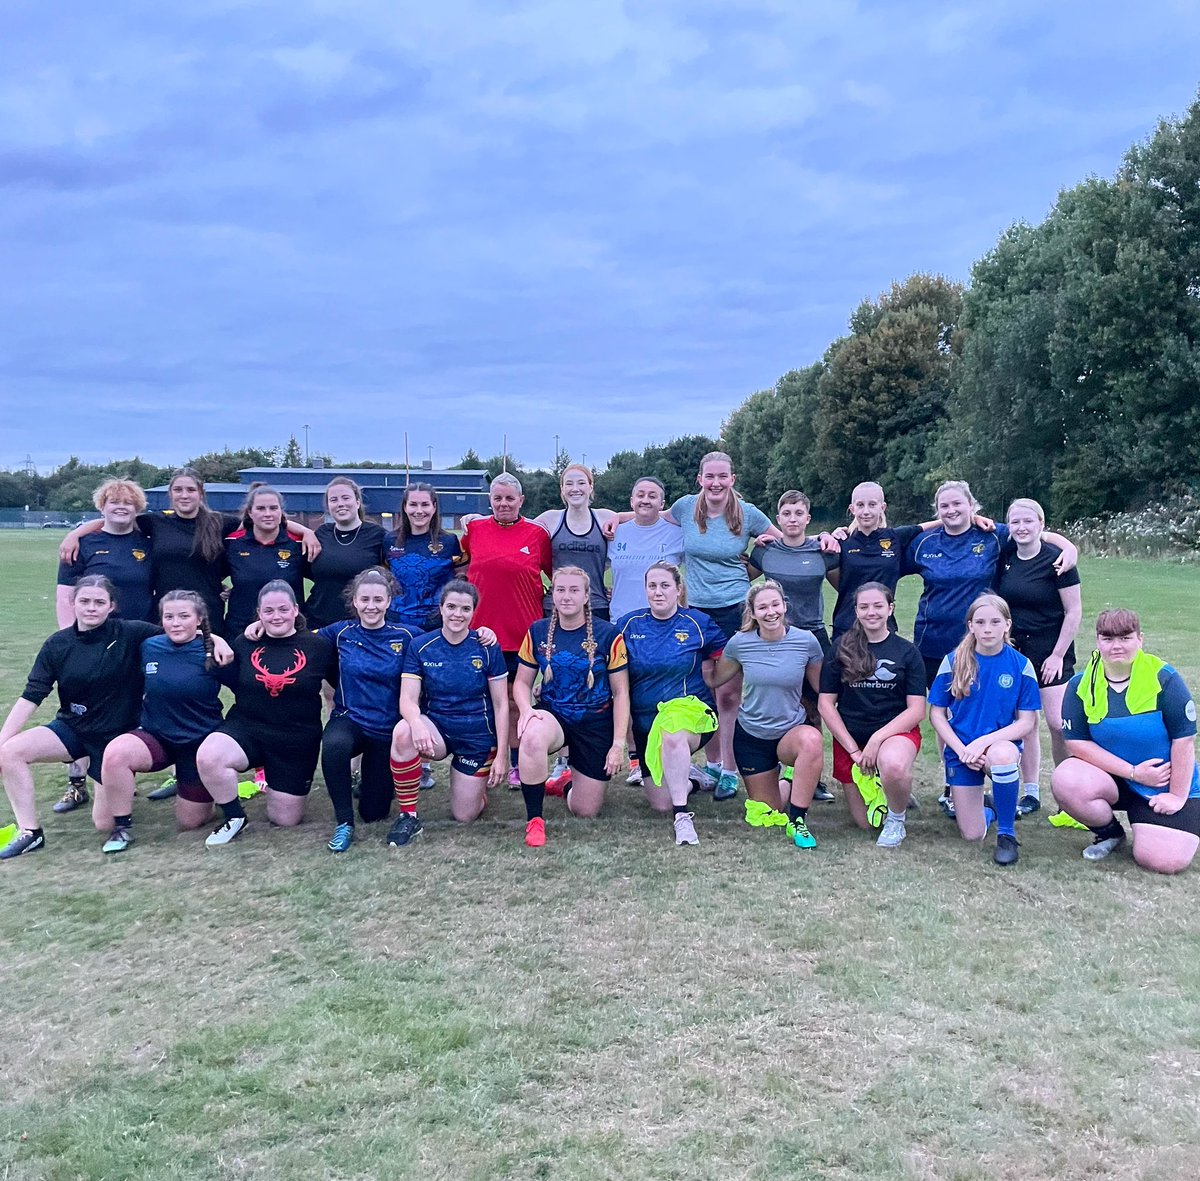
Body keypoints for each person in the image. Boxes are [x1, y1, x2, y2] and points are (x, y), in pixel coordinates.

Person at [907, 479, 1074, 818]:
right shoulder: (923, 543)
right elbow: (887, 550)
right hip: (936, 642)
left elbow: (1032, 531)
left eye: (958, 504)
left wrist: (1068, 546)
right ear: (937, 511)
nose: (952, 510)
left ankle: (1029, 789)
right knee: (948, 715)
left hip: (990, 641)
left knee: (1018, 714)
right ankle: (953, 785)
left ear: (972, 506)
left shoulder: (993, 535)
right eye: (944, 506)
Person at [0, 576, 159, 860]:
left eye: (99, 602)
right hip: (72, 727)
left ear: (112, 606)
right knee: (10, 752)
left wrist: (216, 641)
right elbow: (32, 695)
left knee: (104, 824)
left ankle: (113, 780)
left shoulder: (131, 633)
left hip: (113, 739)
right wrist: (2, 739)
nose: (91, 608)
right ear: (72, 603)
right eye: (84, 601)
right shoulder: (57, 644)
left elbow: (180, 631)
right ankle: (30, 832)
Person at [60, 467, 319, 631]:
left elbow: (263, 519)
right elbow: (117, 518)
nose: (184, 495)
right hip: (166, 613)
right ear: (171, 494)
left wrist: (306, 532)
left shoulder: (220, 523)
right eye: (178, 490)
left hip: (209, 613)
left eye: (190, 490)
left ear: (200, 493)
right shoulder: (155, 522)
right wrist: (75, 533)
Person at [659, 451, 780, 800]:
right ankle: (711, 765)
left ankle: (729, 769)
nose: (715, 483)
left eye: (722, 476)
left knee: (728, 694)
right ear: (699, 479)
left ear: (732, 479)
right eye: (709, 476)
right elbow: (648, 517)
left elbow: (781, 539)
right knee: (703, 692)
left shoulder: (747, 513)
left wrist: (756, 562)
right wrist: (608, 518)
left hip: (735, 610)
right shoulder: (685, 507)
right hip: (696, 612)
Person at [1051, 609, 1199, 873]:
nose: (1116, 646)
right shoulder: (1080, 685)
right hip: (1117, 778)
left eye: (1125, 638)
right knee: (1066, 778)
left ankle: (1172, 819)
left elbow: (1184, 741)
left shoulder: (1165, 678)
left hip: (1162, 782)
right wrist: (1133, 772)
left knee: (1164, 861)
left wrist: (1176, 796)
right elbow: (1076, 743)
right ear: (1097, 641)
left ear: (1140, 639)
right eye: (1107, 638)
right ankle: (1110, 833)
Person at [196, 581, 335, 845]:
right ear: (259, 613)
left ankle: (273, 780)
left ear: (295, 610)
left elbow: (340, 685)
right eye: (268, 611)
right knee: (209, 755)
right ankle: (234, 817)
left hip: (295, 740)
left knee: (285, 819)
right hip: (248, 728)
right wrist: (216, 640)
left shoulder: (318, 646)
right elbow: (200, 646)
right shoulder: (245, 643)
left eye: (283, 609)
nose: (276, 616)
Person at [93, 591, 228, 853]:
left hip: (197, 745)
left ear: (199, 619)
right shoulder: (149, 646)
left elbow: (246, 689)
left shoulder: (215, 652)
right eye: (169, 617)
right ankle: (122, 828)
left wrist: (217, 640)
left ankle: (208, 793)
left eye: (184, 616)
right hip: (156, 737)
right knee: (116, 753)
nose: (175, 623)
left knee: (190, 823)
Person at [53, 477, 154, 812]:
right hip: (91, 640)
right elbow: (65, 596)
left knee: (127, 708)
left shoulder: (147, 541)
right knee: (82, 710)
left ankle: (118, 777)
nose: (121, 507)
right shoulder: (82, 544)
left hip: (135, 641)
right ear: (102, 506)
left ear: (137, 508)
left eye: (128, 502)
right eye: (114, 502)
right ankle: (76, 784)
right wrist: (73, 641)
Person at [514, 567, 630, 847]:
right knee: (532, 736)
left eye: (574, 590)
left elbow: (621, 692)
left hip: (595, 722)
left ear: (587, 596)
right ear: (552, 594)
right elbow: (521, 682)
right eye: (560, 590)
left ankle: (565, 783)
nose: (566, 596)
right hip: (554, 716)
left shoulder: (608, 634)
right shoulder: (538, 630)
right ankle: (535, 819)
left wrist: (618, 744)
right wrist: (527, 710)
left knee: (585, 811)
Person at [616, 562, 727, 847]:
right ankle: (692, 779)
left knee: (672, 731)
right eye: (652, 586)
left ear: (678, 589)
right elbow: (609, 670)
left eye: (665, 585)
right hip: (645, 724)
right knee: (660, 803)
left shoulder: (698, 623)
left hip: (691, 713)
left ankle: (682, 818)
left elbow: (730, 656)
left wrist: (718, 680)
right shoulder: (628, 625)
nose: (658, 592)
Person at [390, 581, 509, 842]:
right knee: (403, 731)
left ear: (473, 611)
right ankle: (408, 815)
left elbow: (501, 704)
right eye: (452, 607)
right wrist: (416, 723)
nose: (458, 614)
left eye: (465, 609)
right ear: (441, 608)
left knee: (464, 815)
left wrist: (502, 755)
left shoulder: (487, 646)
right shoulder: (421, 646)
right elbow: (407, 699)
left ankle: (476, 789)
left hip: (477, 736)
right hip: (438, 730)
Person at [710, 581, 825, 849]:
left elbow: (822, 689)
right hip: (752, 737)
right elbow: (715, 680)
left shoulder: (806, 641)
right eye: (762, 607)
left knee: (811, 740)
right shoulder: (739, 643)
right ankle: (790, 780)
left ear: (785, 606)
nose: (770, 612)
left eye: (775, 604)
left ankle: (798, 820)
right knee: (767, 813)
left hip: (790, 732)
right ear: (752, 612)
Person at [928, 594, 1041, 866]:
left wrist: (983, 743)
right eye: (980, 622)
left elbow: (1027, 723)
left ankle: (1006, 835)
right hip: (962, 751)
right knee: (972, 834)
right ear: (970, 626)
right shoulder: (953, 661)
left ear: (1007, 625)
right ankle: (991, 808)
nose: (987, 629)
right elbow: (936, 715)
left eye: (995, 622)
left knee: (1002, 756)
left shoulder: (1021, 665)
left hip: (997, 746)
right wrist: (963, 751)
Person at [818, 583, 927, 849]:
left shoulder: (907, 651)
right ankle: (893, 788)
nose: (871, 612)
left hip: (894, 734)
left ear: (890, 609)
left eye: (878, 606)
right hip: (851, 739)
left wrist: (877, 740)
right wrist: (854, 751)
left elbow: (916, 710)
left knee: (893, 765)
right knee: (866, 823)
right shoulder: (841, 648)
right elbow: (825, 704)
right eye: (864, 607)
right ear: (856, 611)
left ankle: (896, 818)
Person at [317, 568, 418, 852]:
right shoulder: (339, 632)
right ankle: (344, 822)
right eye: (364, 600)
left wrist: (482, 634)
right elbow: (296, 636)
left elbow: (446, 637)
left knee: (374, 813)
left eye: (377, 600)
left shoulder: (407, 635)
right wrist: (258, 627)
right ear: (354, 601)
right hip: (349, 719)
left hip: (386, 730)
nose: (371, 606)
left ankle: (373, 784)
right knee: (334, 745)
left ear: (389, 601)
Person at [749, 488, 840, 803]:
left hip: (813, 636)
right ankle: (770, 768)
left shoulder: (823, 552)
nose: (792, 519)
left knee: (815, 706)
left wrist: (831, 537)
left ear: (808, 518)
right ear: (778, 518)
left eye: (798, 513)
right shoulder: (765, 551)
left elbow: (845, 587)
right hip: (774, 637)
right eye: (786, 514)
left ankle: (811, 778)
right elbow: (739, 579)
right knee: (776, 702)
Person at [460, 474, 552, 783]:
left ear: (521, 501)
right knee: (480, 701)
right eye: (497, 498)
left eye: (510, 498)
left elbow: (555, 574)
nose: (503, 503)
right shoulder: (474, 530)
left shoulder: (537, 534)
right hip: (479, 634)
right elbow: (459, 566)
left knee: (514, 701)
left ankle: (515, 763)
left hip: (521, 635)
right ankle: (481, 761)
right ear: (489, 500)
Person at [995, 498, 1083, 815]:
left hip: (1051, 652)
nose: (1021, 527)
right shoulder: (1005, 555)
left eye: (1028, 521)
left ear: (1041, 524)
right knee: (1025, 723)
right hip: (1015, 652)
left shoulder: (1058, 559)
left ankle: (1069, 794)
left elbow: (1073, 611)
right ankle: (1031, 792)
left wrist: (1058, 655)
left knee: (1059, 724)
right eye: (1015, 522)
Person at [607, 475, 685, 787]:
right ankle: (636, 758)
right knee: (625, 690)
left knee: (657, 690)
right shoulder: (615, 532)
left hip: (664, 625)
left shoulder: (677, 533)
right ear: (631, 500)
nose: (646, 500)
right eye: (640, 494)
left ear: (662, 503)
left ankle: (665, 754)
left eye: (653, 495)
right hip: (622, 624)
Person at [223, 484, 308, 638]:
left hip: (286, 633)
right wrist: (220, 589)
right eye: (261, 508)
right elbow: (209, 574)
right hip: (240, 632)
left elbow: (323, 580)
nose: (268, 514)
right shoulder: (232, 543)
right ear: (250, 512)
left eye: (273, 508)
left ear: (281, 511)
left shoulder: (299, 544)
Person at [303, 477, 387, 630]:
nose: (340, 503)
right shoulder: (320, 534)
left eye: (346, 498)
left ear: (357, 502)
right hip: (318, 624)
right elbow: (279, 524)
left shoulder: (378, 536)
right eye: (334, 500)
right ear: (328, 506)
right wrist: (305, 531)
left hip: (360, 627)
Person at [385, 482, 465, 635]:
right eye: (413, 505)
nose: (419, 511)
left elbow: (462, 579)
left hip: (436, 624)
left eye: (425, 505)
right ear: (405, 507)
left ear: (434, 507)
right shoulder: (389, 540)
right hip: (397, 622)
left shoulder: (450, 542)